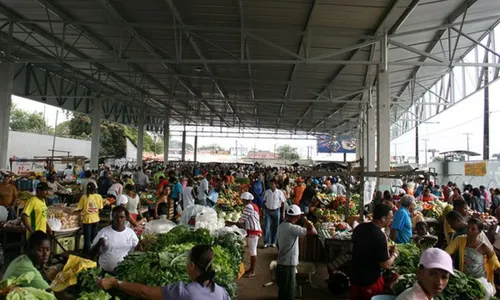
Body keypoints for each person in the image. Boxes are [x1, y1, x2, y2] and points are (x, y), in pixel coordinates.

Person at [97, 244, 230, 300]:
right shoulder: (222, 293)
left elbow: (145, 292)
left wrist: (116, 283)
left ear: (192, 266)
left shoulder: (184, 292)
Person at [350, 204, 397, 300]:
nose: (391, 220)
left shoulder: (359, 228)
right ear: (383, 218)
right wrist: (394, 254)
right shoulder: (380, 235)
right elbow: (385, 265)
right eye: (390, 218)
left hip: (355, 277)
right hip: (370, 281)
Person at [446, 218, 500, 290]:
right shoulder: (459, 240)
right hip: (464, 280)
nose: (469, 231)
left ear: (479, 232)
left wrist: (498, 269)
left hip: (479, 282)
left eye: (473, 229)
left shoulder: (484, 247)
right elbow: (447, 252)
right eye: (468, 228)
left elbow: (494, 263)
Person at [275, 205, 316, 300]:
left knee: (282, 292)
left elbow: (277, 244)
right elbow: (313, 232)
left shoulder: (281, 226)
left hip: (281, 263)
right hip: (288, 266)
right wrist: (305, 221)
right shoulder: (293, 228)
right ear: (297, 217)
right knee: (290, 294)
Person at [91, 206, 139, 273]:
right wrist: (98, 244)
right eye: (116, 217)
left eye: (122, 217)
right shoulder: (104, 232)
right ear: (112, 217)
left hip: (125, 273)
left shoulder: (130, 233)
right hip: (105, 272)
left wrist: (142, 244)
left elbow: (137, 251)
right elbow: (92, 254)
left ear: (126, 218)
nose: (119, 219)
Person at [236, 192, 262, 277]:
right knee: (252, 251)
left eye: (243, 200)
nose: (242, 201)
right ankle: (251, 269)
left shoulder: (248, 207)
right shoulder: (253, 205)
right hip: (254, 230)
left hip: (253, 231)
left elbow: (242, 220)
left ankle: (252, 271)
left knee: (253, 252)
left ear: (245, 200)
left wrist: (234, 223)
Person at [78, 182, 103, 253]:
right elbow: (101, 208)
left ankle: (86, 253)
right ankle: (94, 253)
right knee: (94, 238)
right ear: (95, 189)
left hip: (87, 220)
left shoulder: (84, 197)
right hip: (96, 219)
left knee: (87, 239)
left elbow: (79, 208)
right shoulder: (99, 196)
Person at [263, 179, 286, 248]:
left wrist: (283, 213)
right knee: (267, 227)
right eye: (270, 184)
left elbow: (283, 202)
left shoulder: (279, 192)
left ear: (276, 185)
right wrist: (263, 210)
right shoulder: (267, 192)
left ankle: (273, 242)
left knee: (275, 227)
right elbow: (264, 201)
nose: (271, 185)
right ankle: (266, 242)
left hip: (276, 211)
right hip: (268, 211)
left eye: (272, 184)